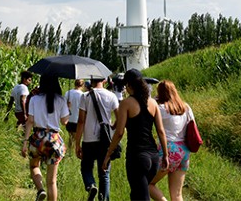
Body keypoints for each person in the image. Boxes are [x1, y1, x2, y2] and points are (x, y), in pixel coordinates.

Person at [103, 69, 169, 201]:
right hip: (154, 157)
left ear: (128, 85)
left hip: (137, 157)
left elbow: (120, 132)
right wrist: (166, 155)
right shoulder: (153, 103)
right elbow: (161, 131)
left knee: (142, 196)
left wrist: (108, 154)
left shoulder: (126, 103)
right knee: (136, 194)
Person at [21, 74, 70, 201]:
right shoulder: (61, 99)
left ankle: (40, 190)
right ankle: (46, 191)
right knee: (52, 182)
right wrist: (68, 111)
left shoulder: (34, 99)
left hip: (38, 138)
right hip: (54, 139)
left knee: (34, 166)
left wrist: (25, 142)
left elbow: (30, 121)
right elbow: (65, 121)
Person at [149, 80, 196, 201]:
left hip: (169, 149)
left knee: (147, 183)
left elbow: (149, 105)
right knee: (177, 194)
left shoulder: (161, 108)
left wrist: (154, 98)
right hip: (184, 151)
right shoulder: (186, 107)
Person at [75, 77, 119, 201]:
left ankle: (91, 185)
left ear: (91, 79)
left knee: (86, 168)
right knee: (104, 173)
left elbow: (81, 121)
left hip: (89, 139)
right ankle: (103, 199)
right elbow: (120, 117)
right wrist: (112, 126)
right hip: (105, 140)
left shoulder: (85, 96)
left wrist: (77, 143)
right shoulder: (111, 96)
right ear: (104, 80)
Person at [65, 79, 86, 154]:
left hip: (69, 118)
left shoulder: (68, 93)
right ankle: (73, 153)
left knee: (71, 138)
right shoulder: (83, 95)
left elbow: (65, 105)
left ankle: (70, 152)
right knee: (77, 139)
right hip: (77, 119)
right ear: (83, 85)